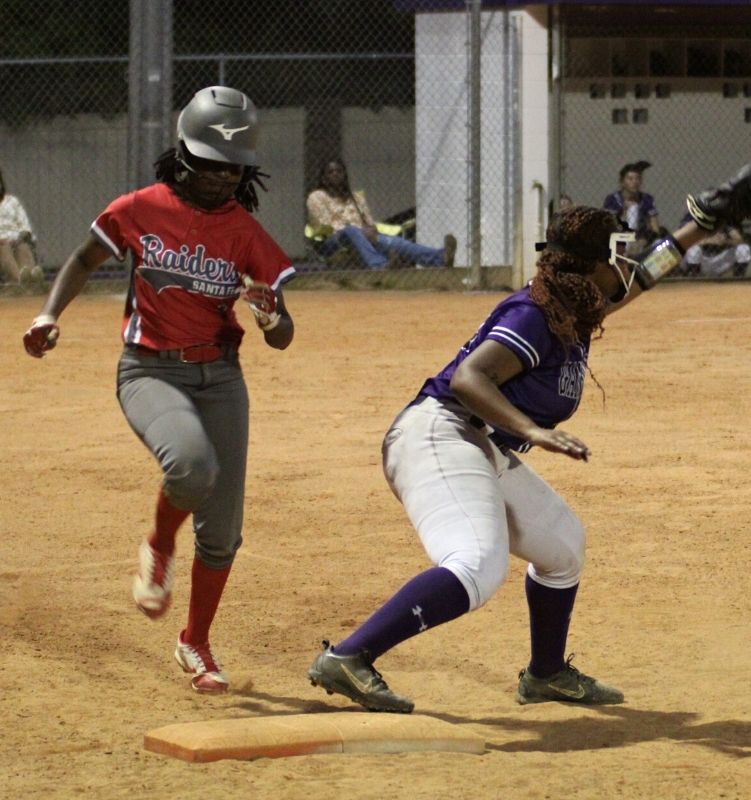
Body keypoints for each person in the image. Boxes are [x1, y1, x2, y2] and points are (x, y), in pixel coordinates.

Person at [304, 174, 751, 712]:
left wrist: (698, 230)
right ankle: (351, 655)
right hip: (438, 434)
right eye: (613, 256)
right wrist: (531, 431)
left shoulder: (572, 307)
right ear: (588, 267)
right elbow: (469, 379)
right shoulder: (532, 315)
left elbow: (643, 276)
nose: (622, 265)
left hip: (476, 442)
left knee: (562, 546)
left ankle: (546, 673)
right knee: (478, 565)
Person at [22, 86, 297, 694]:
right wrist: (48, 314)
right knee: (193, 467)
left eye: (234, 168)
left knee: (224, 530)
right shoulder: (141, 208)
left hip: (221, 377)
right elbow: (83, 258)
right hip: (149, 370)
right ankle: (159, 542)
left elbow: (283, 337)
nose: (224, 178)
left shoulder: (244, 231)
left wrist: (272, 315)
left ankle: (195, 642)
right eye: (211, 164)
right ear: (184, 156)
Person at [306, 157, 455, 270]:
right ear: (324, 178)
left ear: (345, 174)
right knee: (351, 230)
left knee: (393, 242)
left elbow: (369, 221)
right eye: (330, 172)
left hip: (361, 237)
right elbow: (326, 226)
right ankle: (379, 265)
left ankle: (439, 258)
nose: (335, 174)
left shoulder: (356, 197)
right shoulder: (317, 197)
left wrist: (371, 230)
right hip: (334, 242)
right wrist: (360, 231)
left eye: (339, 171)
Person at [602, 160, 663, 255]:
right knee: (632, 208)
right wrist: (625, 210)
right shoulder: (612, 199)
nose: (634, 182)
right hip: (619, 238)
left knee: (659, 244)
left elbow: (655, 228)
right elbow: (609, 226)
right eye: (630, 179)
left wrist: (643, 241)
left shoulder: (646, 199)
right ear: (622, 182)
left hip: (641, 238)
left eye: (637, 179)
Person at [0, 167, 42, 284]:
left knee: (23, 246)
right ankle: (20, 282)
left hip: (16, 239)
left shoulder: (12, 201)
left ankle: (29, 278)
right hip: (1, 243)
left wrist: (19, 239)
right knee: (3, 249)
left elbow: (25, 226)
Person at [681, 224, 751, 277]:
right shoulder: (700, 224)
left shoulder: (725, 225)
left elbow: (740, 240)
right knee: (693, 249)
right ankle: (694, 278)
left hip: (720, 261)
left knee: (744, 248)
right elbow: (687, 242)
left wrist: (726, 241)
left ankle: (739, 279)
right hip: (703, 262)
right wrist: (709, 241)